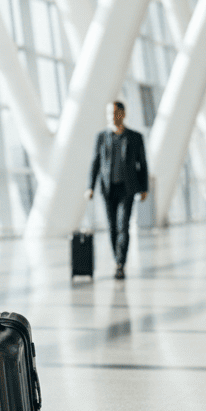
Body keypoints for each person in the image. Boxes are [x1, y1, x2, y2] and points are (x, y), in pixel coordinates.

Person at [87, 100, 149, 280]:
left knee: (123, 226)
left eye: (114, 113)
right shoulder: (101, 137)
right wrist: (90, 187)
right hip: (108, 189)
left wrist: (144, 188)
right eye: (109, 113)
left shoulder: (135, 137)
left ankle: (120, 263)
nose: (111, 117)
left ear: (123, 114)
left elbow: (142, 164)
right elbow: (95, 163)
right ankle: (117, 259)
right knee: (112, 227)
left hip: (127, 189)